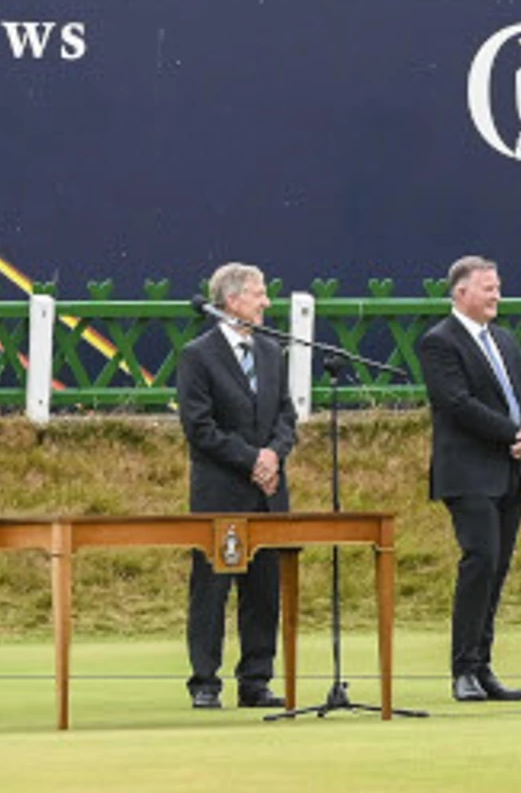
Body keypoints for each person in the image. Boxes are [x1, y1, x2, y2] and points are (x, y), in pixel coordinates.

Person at [416, 253, 521, 704]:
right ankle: (463, 670)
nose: (497, 295)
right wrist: (514, 433)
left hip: (511, 471)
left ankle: (483, 666)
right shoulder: (439, 342)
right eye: (488, 287)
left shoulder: (505, 340)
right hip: (469, 473)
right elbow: (457, 404)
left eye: (498, 286)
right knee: (481, 559)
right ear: (461, 292)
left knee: (498, 567)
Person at [172, 260, 299, 709]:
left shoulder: (270, 351)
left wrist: (274, 454)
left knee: (263, 588)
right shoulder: (198, 356)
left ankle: (256, 680)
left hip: (267, 493)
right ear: (231, 300)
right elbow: (200, 427)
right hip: (221, 491)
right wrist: (251, 459)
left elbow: (287, 414)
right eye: (258, 293)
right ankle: (205, 681)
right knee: (212, 588)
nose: (267, 301)